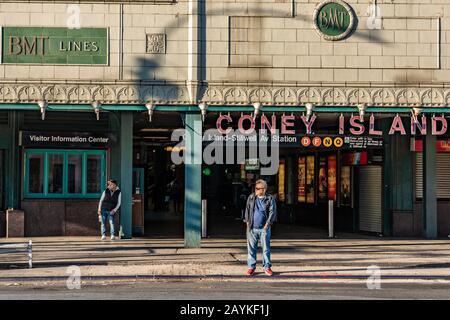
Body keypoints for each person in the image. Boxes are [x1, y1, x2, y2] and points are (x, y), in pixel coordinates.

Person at [244, 179, 277, 276]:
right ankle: (251, 267)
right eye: (256, 188)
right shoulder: (251, 197)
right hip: (252, 228)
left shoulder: (270, 199)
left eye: (260, 189)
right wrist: (247, 222)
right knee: (251, 249)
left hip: (264, 228)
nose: (257, 190)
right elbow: (247, 210)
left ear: (265, 189)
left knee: (266, 249)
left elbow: (272, 212)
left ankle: (267, 267)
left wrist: (267, 224)